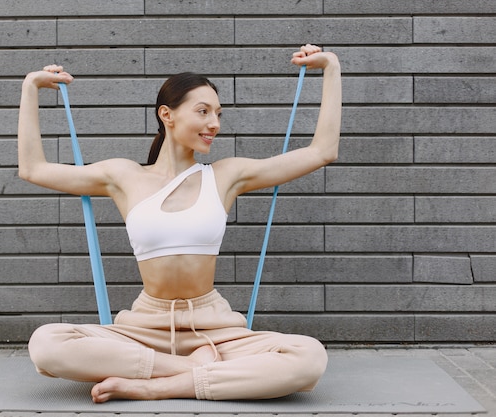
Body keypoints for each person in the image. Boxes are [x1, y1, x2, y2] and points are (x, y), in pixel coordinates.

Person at [18, 44, 341, 403]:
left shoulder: (226, 175)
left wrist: (330, 68)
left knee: (308, 356)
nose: (214, 123)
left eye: (218, 113)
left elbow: (321, 151)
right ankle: (189, 370)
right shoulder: (123, 176)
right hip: (143, 330)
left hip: (215, 331)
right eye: (202, 111)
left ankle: (155, 385)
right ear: (167, 115)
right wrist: (31, 88)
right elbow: (33, 169)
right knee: (46, 343)